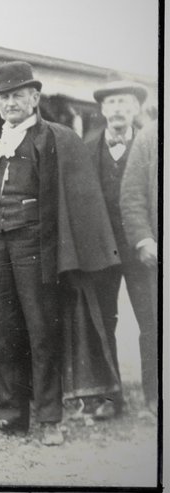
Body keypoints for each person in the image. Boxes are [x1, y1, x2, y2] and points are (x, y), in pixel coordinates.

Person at [0, 61, 119, 446]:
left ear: (34, 98)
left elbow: (76, 202)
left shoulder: (55, 140)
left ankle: (49, 418)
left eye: (17, 96)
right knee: (1, 329)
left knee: (42, 330)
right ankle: (12, 412)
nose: (10, 103)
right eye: (4, 97)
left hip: (36, 246)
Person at [72, 80, 150, 419]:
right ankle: (110, 397)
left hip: (141, 249)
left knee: (151, 319)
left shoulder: (151, 146)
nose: (118, 108)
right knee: (103, 321)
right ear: (102, 110)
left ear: (136, 109)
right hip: (102, 252)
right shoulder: (86, 149)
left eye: (125, 102)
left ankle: (155, 396)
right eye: (112, 103)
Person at [120, 120, 158, 417]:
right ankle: (155, 396)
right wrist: (144, 239)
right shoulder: (150, 136)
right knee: (155, 326)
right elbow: (132, 195)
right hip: (158, 250)